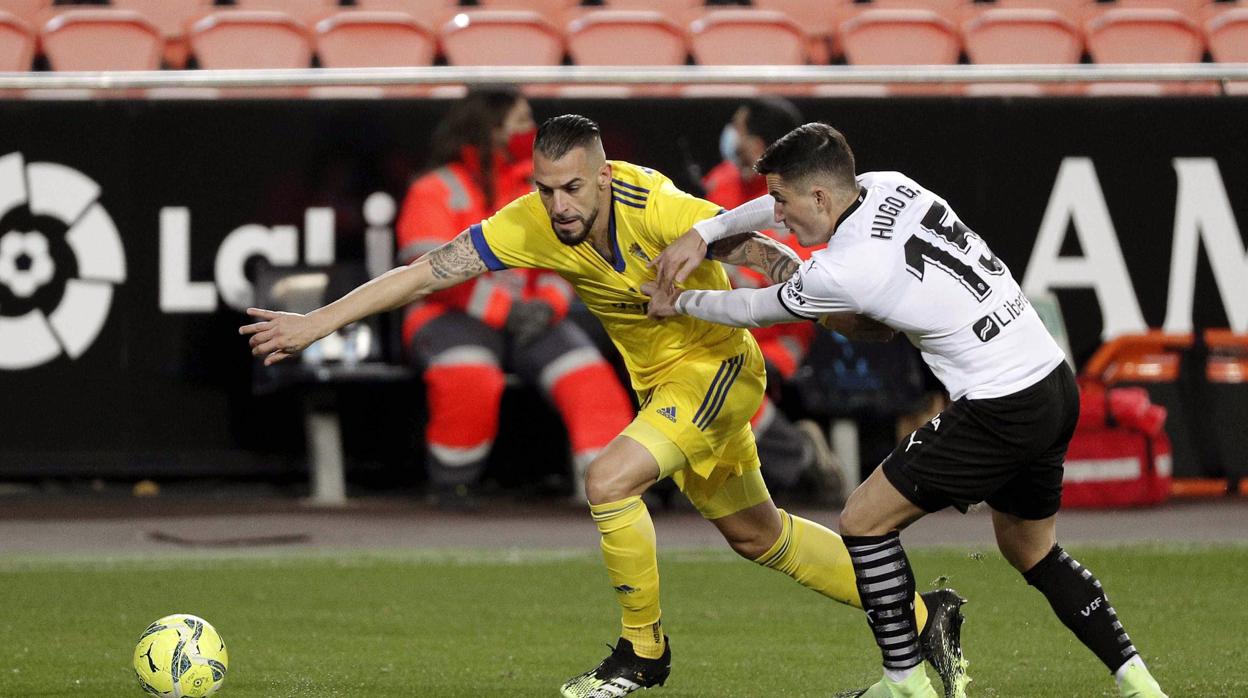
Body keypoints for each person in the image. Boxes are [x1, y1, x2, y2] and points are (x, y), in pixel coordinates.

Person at [241, 115, 967, 698]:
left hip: (715, 367)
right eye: (547, 187)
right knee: (760, 538)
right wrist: (314, 323)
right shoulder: (530, 221)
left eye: (573, 189)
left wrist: (847, 311)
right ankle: (923, 616)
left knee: (608, 480)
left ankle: (642, 652)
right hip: (664, 384)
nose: (559, 205)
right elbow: (422, 273)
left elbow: (760, 251)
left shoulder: (656, 206)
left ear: (604, 176)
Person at [646, 122, 1167, 698]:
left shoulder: (845, 269)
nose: (778, 213)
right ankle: (1139, 682)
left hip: (1000, 404)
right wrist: (708, 229)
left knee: (862, 521)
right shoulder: (892, 185)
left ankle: (905, 684)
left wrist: (678, 303)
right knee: (1030, 549)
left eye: (784, 200)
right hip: (1050, 378)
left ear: (819, 196)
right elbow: (771, 224)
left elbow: (753, 307)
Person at [394, 87, 633, 504]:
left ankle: (616, 492)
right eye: (522, 121)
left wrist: (550, 304)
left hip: (532, 316)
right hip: (447, 315)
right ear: (491, 128)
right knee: (469, 376)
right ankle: (453, 487)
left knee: (589, 379)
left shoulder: (538, 184)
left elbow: (570, 259)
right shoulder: (434, 189)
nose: (532, 130)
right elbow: (429, 274)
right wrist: (506, 310)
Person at [706, 97, 842, 502]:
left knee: (718, 381)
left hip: (782, 337)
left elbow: (804, 285)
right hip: (723, 324)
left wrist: (732, 275)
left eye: (739, 127)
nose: (732, 136)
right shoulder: (721, 182)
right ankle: (792, 456)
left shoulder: (812, 198)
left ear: (758, 144)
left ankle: (798, 457)